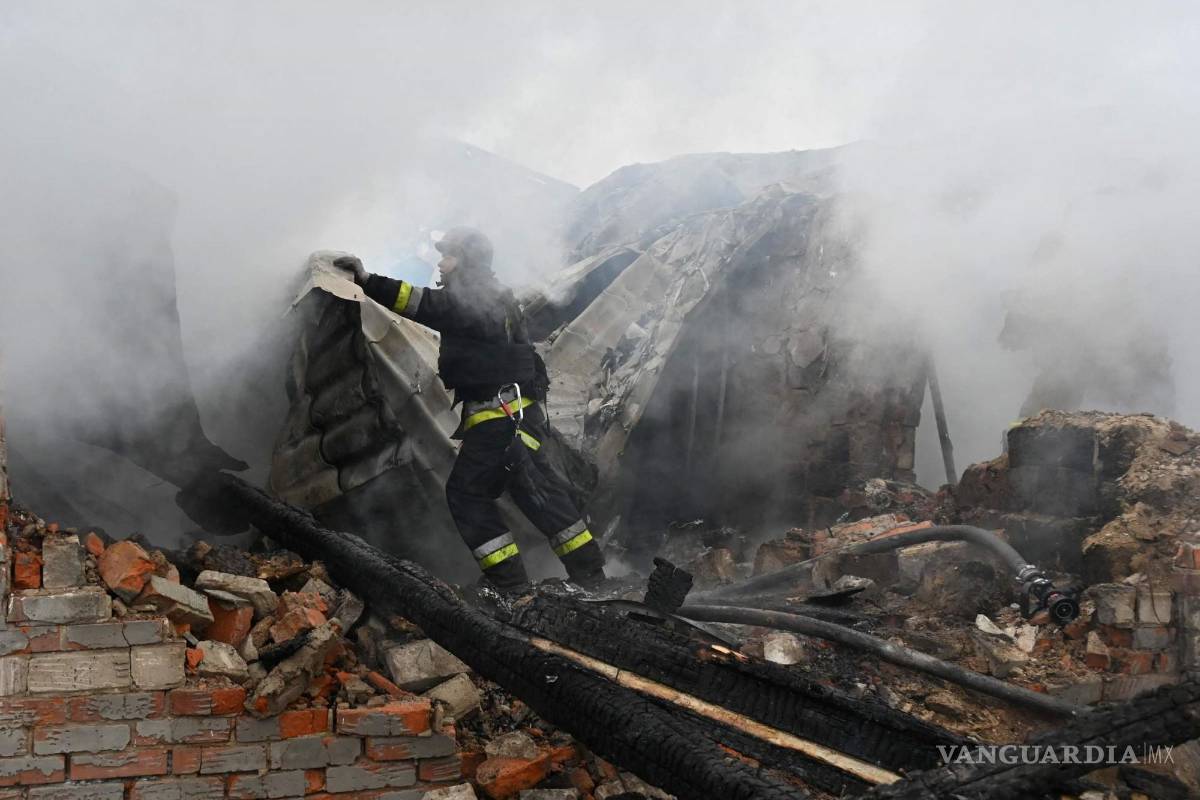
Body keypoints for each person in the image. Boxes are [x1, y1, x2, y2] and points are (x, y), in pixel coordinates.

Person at [333, 228, 606, 591]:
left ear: (466, 261)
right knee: (538, 494)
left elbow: (425, 305)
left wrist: (368, 281)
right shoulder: (495, 298)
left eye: (447, 256)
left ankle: (511, 587)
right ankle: (590, 574)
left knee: (467, 494)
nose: (441, 265)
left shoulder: (478, 298)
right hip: (516, 418)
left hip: (500, 420)